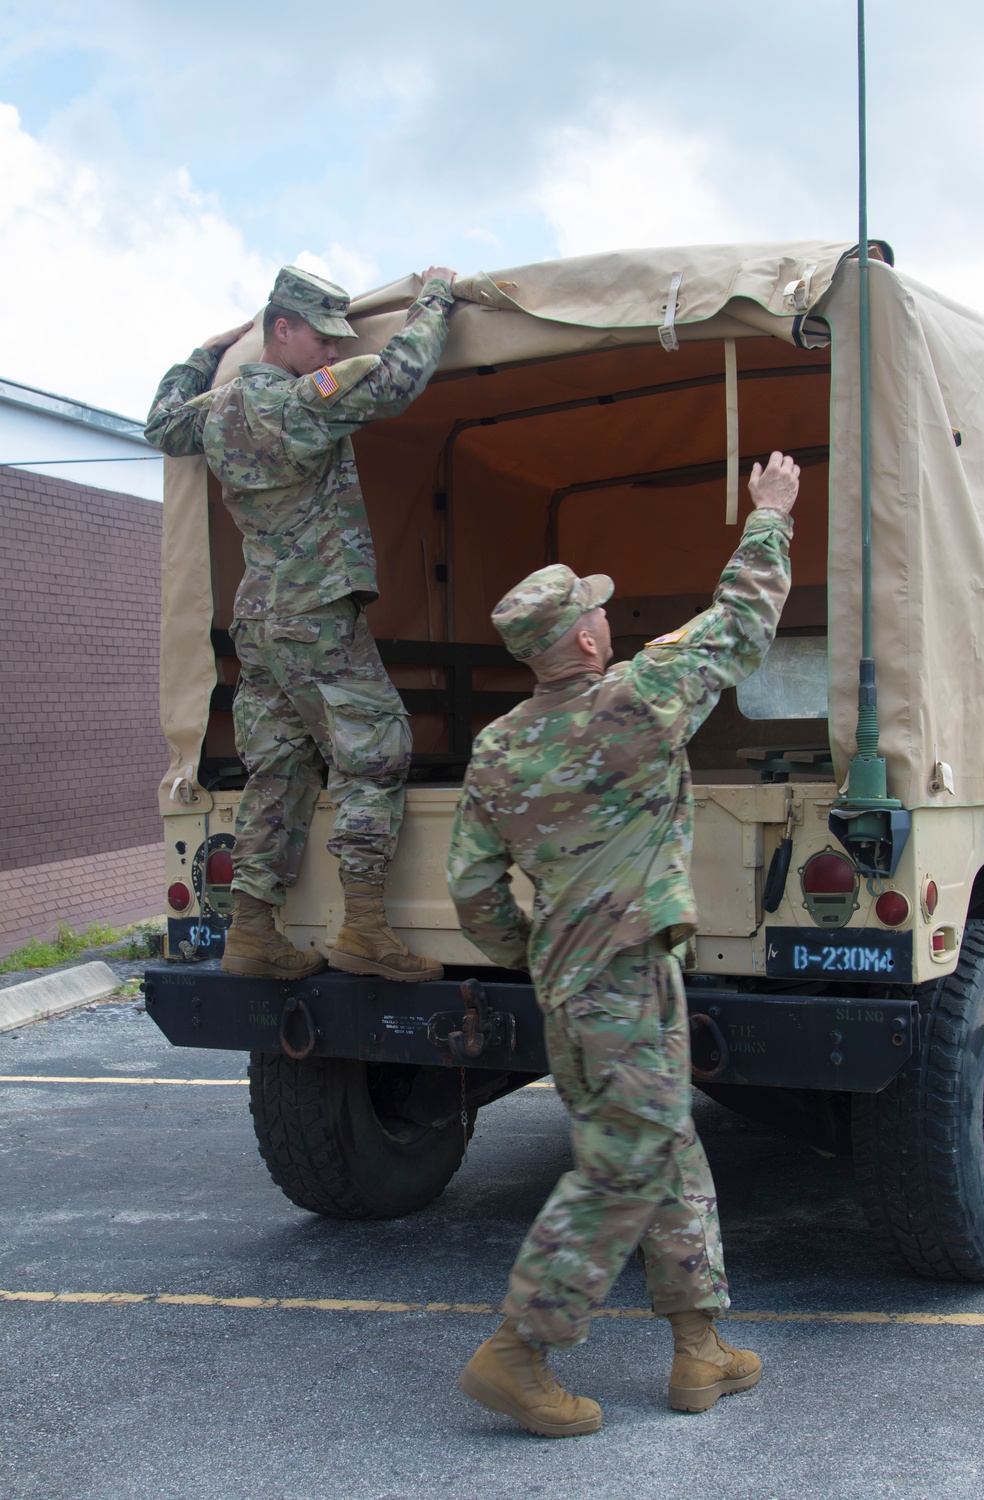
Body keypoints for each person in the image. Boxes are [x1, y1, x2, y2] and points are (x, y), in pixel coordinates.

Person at [446, 451, 800, 1436]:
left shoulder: (497, 748)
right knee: (626, 1160)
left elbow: (472, 890)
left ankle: (699, 1350)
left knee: (664, 1147)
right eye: (597, 611)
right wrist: (769, 515)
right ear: (585, 634)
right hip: (629, 975)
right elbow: (738, 624)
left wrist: (533, 948)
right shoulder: (639, 700)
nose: (609, 619)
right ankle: (519, 1352)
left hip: (573, 983)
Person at [146, 263, 458, 982]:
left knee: (278, 770)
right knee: (376, 750)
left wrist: (201, 353)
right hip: (315, 612)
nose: (333, 354)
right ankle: (365, 930)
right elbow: (398, 379)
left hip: (260, 620)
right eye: (322, 340)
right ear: (278, 329)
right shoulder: (301, 405)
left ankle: (252, 933)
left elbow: (160, 422)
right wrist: (437, 298)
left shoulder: (216, 409)